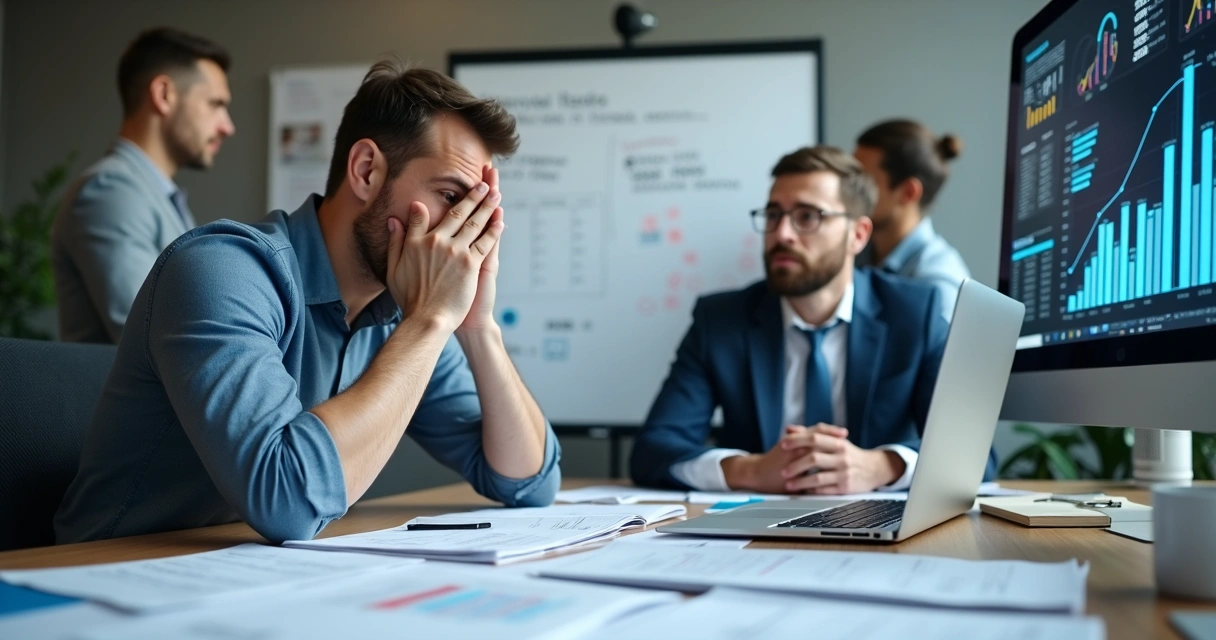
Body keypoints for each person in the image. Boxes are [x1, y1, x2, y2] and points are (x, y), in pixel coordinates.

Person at [55, 61, 560, 544]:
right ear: (366, 171)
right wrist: (431, 322)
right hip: (102, 580)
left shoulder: (397, 312)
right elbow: (288, 501)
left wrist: (476, 326)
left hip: (250, 578)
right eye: (452, 197)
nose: (469, 235)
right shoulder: (221, 269)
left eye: (480, 211)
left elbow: (529, 481)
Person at [630, 145, 996, 495]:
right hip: (751, 535)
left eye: (807, 216)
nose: (782, 233)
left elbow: (973, 452)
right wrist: (752, 471)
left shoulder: (916, 313)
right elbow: (653, 450)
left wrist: (880, 467)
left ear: (858, 234)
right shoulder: (721, 321)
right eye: (773, 215)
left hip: (874, 532)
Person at [52, 27, 235, 343]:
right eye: (215, 104)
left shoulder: (154, 196)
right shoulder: (110, 193)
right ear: (164, 95)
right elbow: (159, 337)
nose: (227, 126)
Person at [853, 119, 970, 320]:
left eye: (863, 182)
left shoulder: (936, 287)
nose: (848, 193)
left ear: (908, 192)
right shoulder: (857, 255)